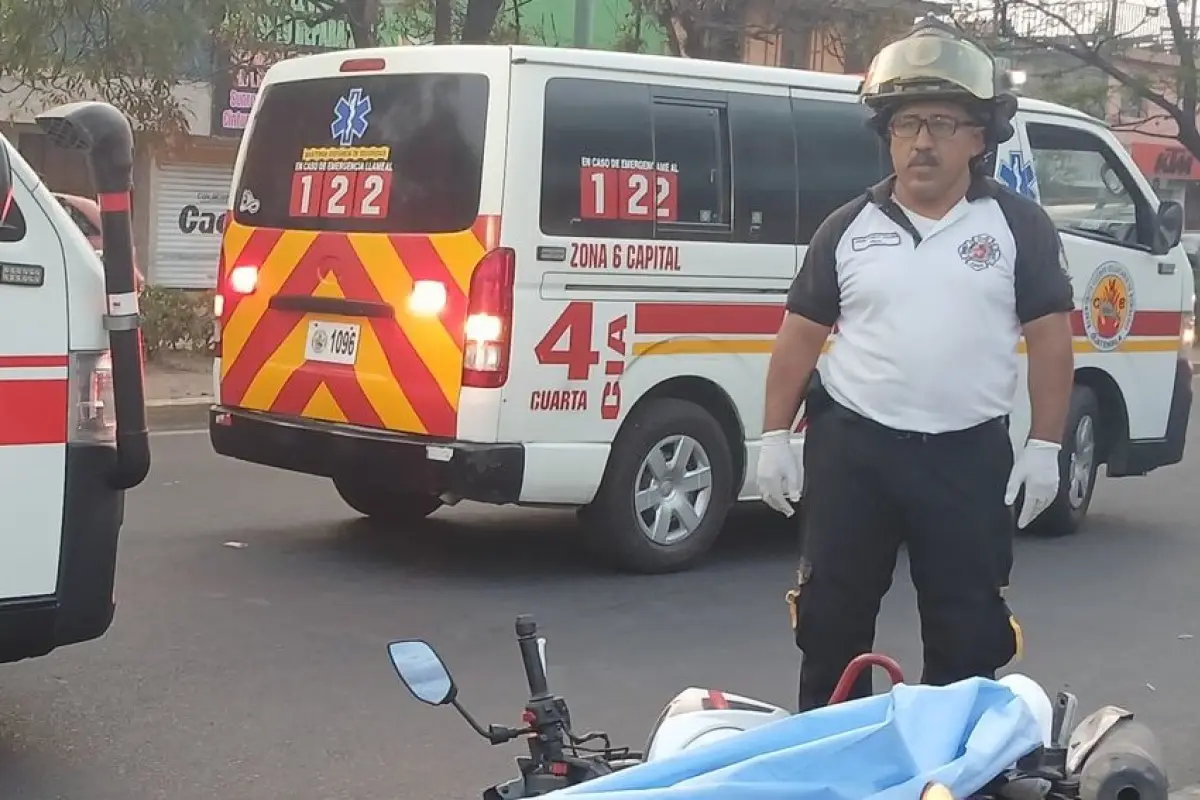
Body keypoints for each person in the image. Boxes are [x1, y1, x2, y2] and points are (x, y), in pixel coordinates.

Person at [757, 18, 1076, 711]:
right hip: (855, 451)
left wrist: (1046, 446)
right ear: (887, 136)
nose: (922, 141)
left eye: (941, 122)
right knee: (831, 624)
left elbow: (1051, 340)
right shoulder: (847, 228)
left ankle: (951, 772)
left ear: (979, 137)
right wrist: (773, 438)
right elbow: (799, 336)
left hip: (965, 457)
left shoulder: (1017, 228)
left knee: (968, 634)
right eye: (906, 124)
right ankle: (836, 762)